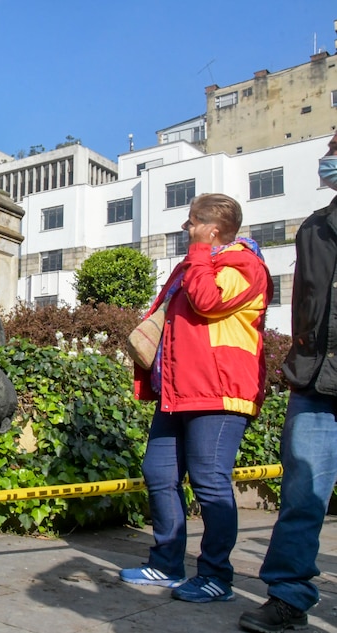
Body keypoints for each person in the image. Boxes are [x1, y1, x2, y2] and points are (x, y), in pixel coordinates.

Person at [120, 193, 272, 603]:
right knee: (159, 473)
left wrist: (200, 253)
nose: (186, 229)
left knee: (210, 483)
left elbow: (208, 303)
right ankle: (168, 563)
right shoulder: (194, 265)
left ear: (213, 229)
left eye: (192, 222)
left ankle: (217, 577)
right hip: (180, 390)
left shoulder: (245, 265)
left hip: (220, 392)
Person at [238, 131, 337, 633]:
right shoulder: (315, 230)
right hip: (317, 382)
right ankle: (288, 596)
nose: (329, 159)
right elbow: (307, 304)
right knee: (303, 492)